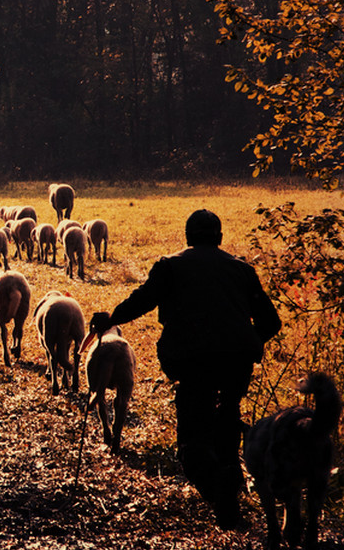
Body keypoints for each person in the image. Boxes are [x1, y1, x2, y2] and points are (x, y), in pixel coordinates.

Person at [89, 209, 281, 529]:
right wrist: (247, 341)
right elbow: (271, 322)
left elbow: (142, 301)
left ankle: (220, 494)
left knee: (192, 440)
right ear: (219, 238)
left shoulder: (171, 267)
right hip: (235, 365)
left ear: (188, 237)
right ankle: (230, 487)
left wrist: (110, 319)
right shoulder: (242, 271)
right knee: (227, 424)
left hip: (192, 363)